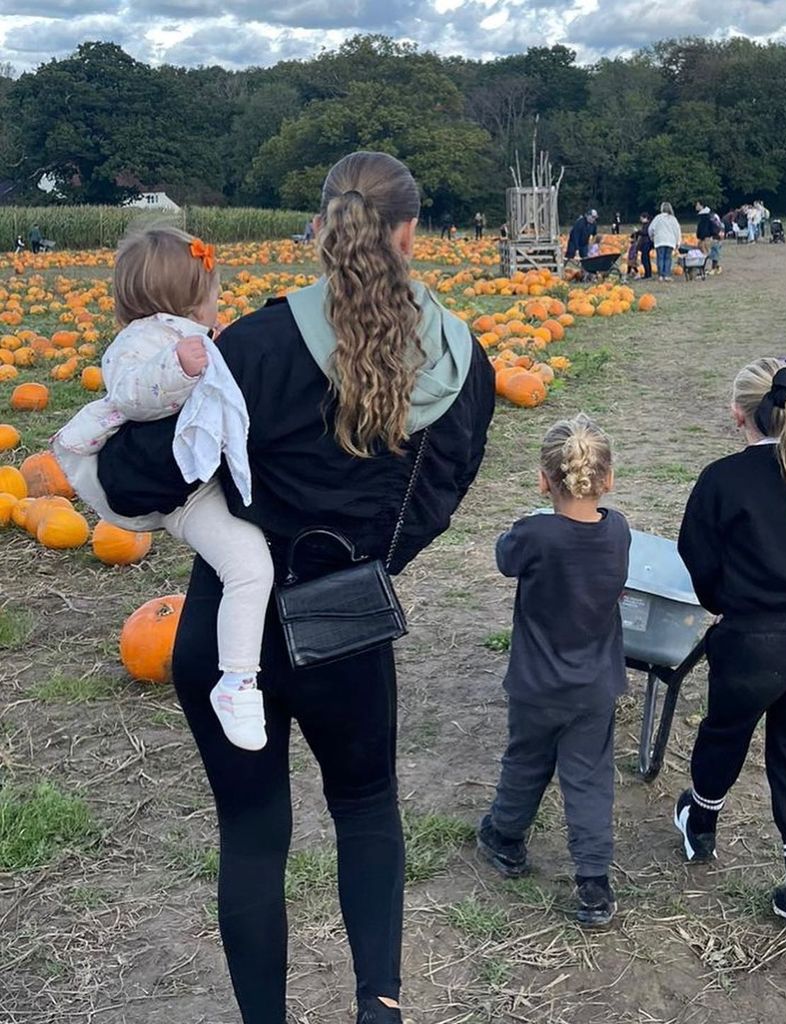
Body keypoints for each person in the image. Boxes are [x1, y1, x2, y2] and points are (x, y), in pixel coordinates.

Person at [96, 151, 495, 1024]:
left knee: (251, 834)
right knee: (366, 810)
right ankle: (378, 1010)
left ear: (320, 228)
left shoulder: (255, 345)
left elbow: (133, 485)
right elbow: (438, 500)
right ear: (410, 233)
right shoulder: (466, 361)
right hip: (346, 624)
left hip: (227, 625)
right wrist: (369, 561)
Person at [52, 227, 272, 752]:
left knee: (255, 561)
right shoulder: (141, 343)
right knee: (249, 567)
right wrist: (179, 367)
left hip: (203, 476)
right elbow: (130, 394)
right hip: (178, 490)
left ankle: (239, 676)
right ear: (189, 296)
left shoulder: (189, 335)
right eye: (213, 291)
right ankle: (239, 680)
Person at [675, 357, 786, 946]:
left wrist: (722, 600)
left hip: (753, 638)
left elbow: (696, 557)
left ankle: (700, 823)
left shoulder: (721, 479)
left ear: (739, 416)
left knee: (725, 732)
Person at [476, 413, 630, 928]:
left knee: (525, 762)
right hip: (594, 687)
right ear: (607, 479)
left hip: (536, 684)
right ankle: (592, 883)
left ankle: (506, 837)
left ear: (544, 479)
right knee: (588, 779)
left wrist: (536, 515)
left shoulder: (534, 534)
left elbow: (504, 557)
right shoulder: (618, 532)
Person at [648, 201, 682, 282]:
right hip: (670, 241)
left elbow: (650, 229)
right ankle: (666, 275)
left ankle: (661, 276)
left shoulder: (658, 218)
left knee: (660, 258)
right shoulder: (673, 219)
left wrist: (652, 237)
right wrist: (678, 242)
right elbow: (677, 231)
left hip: (659, 240)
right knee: (668, 258)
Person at [637, 213, 654, 279]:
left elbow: (645, 233)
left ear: (646, 218)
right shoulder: (646, 225)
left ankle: (648, 274)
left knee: (645, 259)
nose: (641, 220)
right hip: (646, 243)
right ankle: (648, 273)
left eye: (642, 219)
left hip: (646, 243)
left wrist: (638, 232)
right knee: (645, 258)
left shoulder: (648, 225)